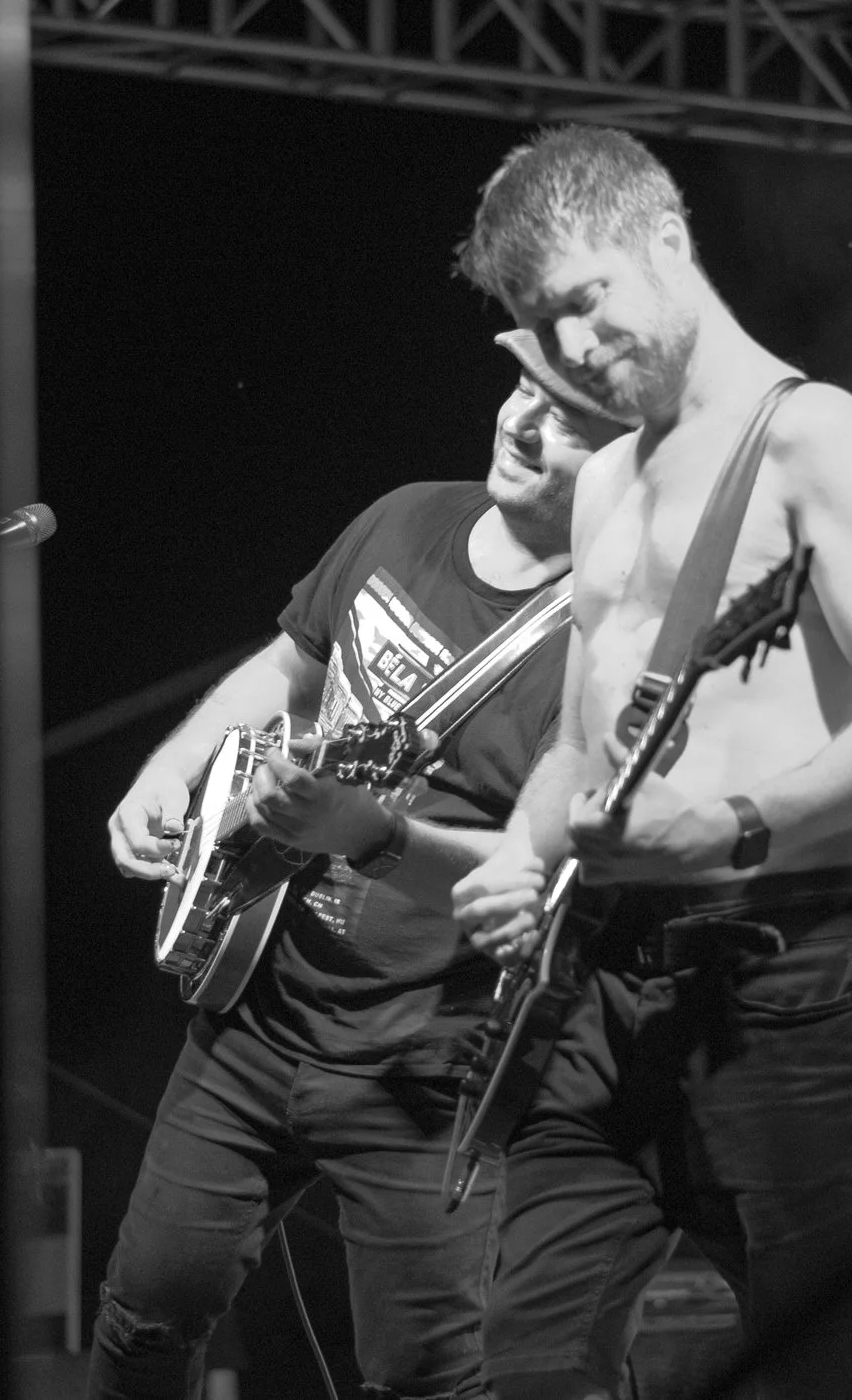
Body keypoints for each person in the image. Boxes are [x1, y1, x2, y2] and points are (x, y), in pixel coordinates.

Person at [448, 125, 852, 1400]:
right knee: (520, 1363)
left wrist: (730, 822)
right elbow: (579, 742)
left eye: (582, 301)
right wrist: (523, 851)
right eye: (538, 324)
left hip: (782, 973)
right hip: (599, 986)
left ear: (662, 241)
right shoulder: (603, 480)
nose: (568, 349)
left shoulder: (814, 435)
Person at [88, 332, 633, 1400]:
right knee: (140, 1318)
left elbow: (538, 883)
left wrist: (371, 836)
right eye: (521, 390)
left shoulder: (605, 643)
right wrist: (170, 768)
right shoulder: (404, 516)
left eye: (564, 417)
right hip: (249, 1019)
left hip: (425, 1067)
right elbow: (294, 662)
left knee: (429, 1381)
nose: (521, 423)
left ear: (624, 455)